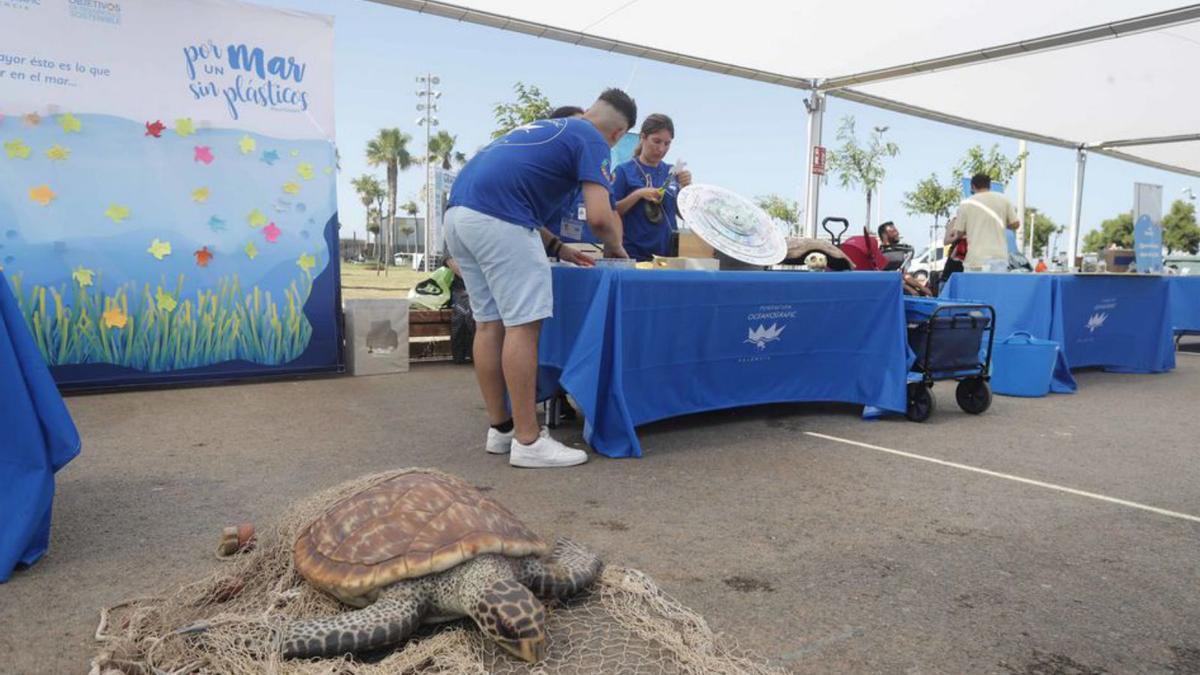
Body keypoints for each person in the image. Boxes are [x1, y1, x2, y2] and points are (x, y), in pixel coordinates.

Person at [444, 88, 636, 469]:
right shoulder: (594, 139)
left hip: (459, 217)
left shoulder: (546, 128)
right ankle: (529, 441)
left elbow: (508, 191)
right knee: (523, 327)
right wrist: (616, 249)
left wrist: (557, 247)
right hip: (500, 221)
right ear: (618, 134)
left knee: (489, 324)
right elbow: (600, 218)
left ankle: (501, 429)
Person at [612, 114, 693, 261]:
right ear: (643, 137)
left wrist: (686, 188)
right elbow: (611, 210)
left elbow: (685, 215)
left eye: (667, 144)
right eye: (656, 141)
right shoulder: (624, 171)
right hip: (633, 255)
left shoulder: (672, 172)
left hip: (667, 257)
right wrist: (638, 195)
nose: (661, 149)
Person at [945, 173, 1020, 270]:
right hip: (998, 257)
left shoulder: (966, 204)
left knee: (974, 285)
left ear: (972, 186)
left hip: (975, 258)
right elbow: (1015, 224)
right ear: (989, 185)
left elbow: (959, 232)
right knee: (995, 285)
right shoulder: (1004, 200)